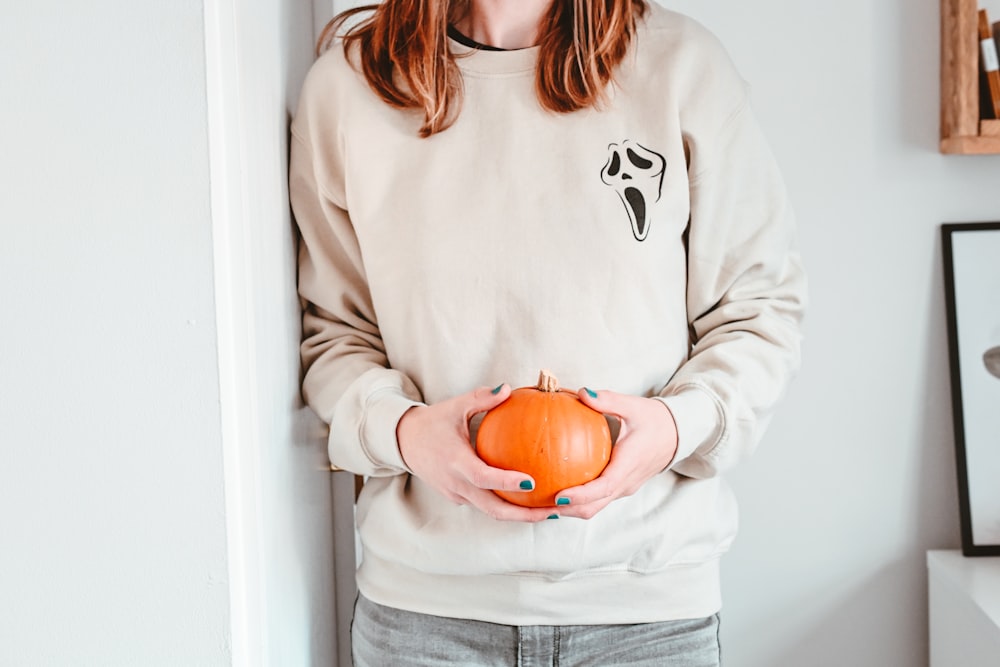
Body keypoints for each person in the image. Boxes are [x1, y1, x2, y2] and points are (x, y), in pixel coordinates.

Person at [289, 0, 806, 664]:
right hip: (426, 620)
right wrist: (406, 433)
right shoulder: (348, 89)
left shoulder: (683, 67)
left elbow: (758, 307)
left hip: (646, 616)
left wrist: (676, 427)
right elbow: (336, 331)